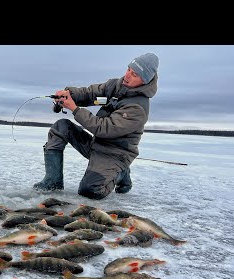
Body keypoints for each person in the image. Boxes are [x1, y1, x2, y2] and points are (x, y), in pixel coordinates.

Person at [33, 52, 159, 200]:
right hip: (96, 144)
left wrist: (75, 109)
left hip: (115, 154)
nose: (127, 76)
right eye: (128, 70)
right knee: (61, 127)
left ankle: (120, 173)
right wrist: (69, 94)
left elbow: (104, 128)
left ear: (145, 80)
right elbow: (90, 94)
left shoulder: (137, 108)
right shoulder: (116, 86)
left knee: (90, 190)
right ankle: (52, 182)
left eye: (135, 75)